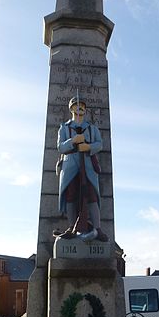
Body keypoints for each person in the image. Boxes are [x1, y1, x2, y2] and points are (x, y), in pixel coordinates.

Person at [55, 96, 108, 242]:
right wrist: (73, 141)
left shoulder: (92, 128)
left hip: (88, 165)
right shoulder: (64, 128)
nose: (80, 108)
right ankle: (72, 227)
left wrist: (89, 147)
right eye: (77, 105)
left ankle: (97, 228)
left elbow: (99, 144)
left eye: (83, 106)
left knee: (91, 195)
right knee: (71, 195)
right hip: (70, 165)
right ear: (71, 108)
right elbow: (60, 147)